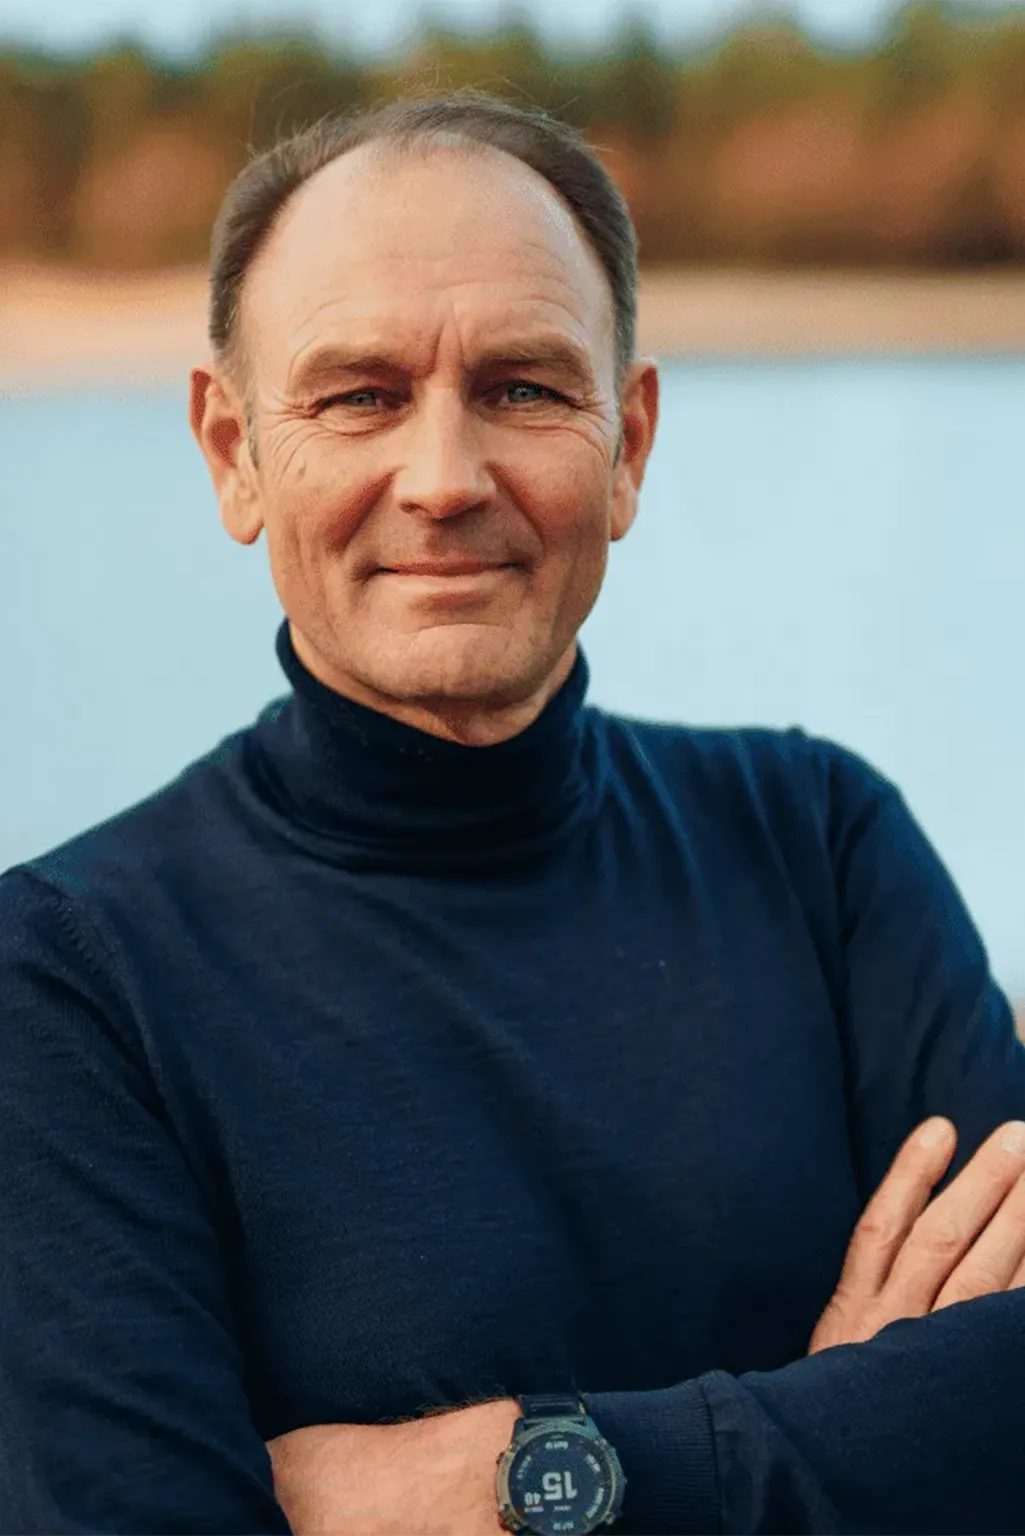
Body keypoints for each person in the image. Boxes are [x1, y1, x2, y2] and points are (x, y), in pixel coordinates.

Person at [1, 92, 1024, 1536]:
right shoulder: (66, 982)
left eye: (525, 388)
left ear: (629, 445)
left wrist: (511, 1476)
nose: (442, 481)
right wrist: (847, 1424)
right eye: (357, 394)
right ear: (232, 450)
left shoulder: (820, 845)